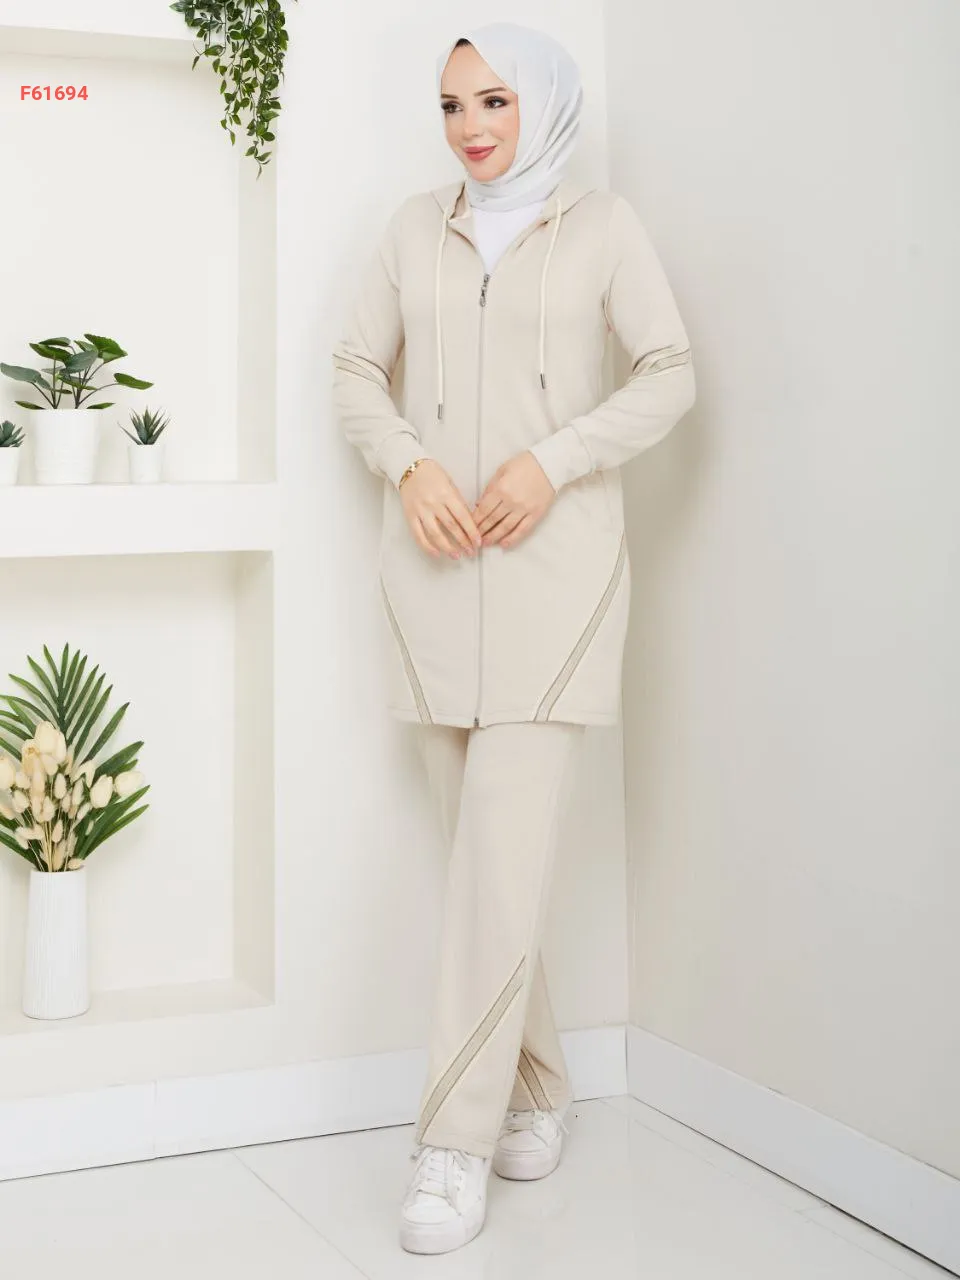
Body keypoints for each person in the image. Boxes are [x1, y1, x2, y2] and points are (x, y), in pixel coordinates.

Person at [331, 20, 695, 1255]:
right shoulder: (409, 230)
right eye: (451, 105)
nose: (471, 127)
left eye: (493, 100)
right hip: (432, 585)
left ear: (542, 101)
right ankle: (538, 1084)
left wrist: (556, 457)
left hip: (557, 583)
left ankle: (450, 1141)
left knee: (496, 861)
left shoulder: (603, 228)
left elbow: (669, 370)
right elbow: (354, 370)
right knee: (484, 864)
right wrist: (410, 464)